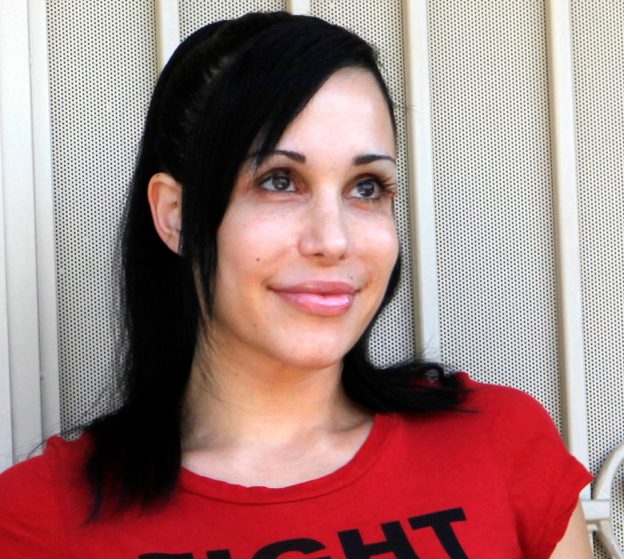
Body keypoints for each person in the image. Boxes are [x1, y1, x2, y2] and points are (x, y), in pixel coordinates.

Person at [0, 11, 592, 558]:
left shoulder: (500, 443)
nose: (333, 240)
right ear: (176, 214)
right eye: (280, 180)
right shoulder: (38, 520)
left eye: (367, 187)